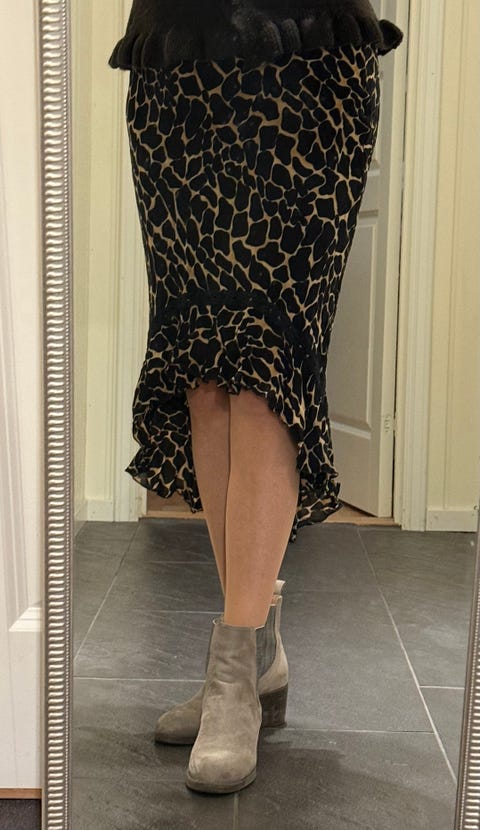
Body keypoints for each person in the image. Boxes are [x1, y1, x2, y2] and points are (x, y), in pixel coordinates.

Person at [108, 0, 403, 795]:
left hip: (303, 61)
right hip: (176, 63)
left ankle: (235, 670)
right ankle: (255, 649)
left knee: (266, 363)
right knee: (203, 367)